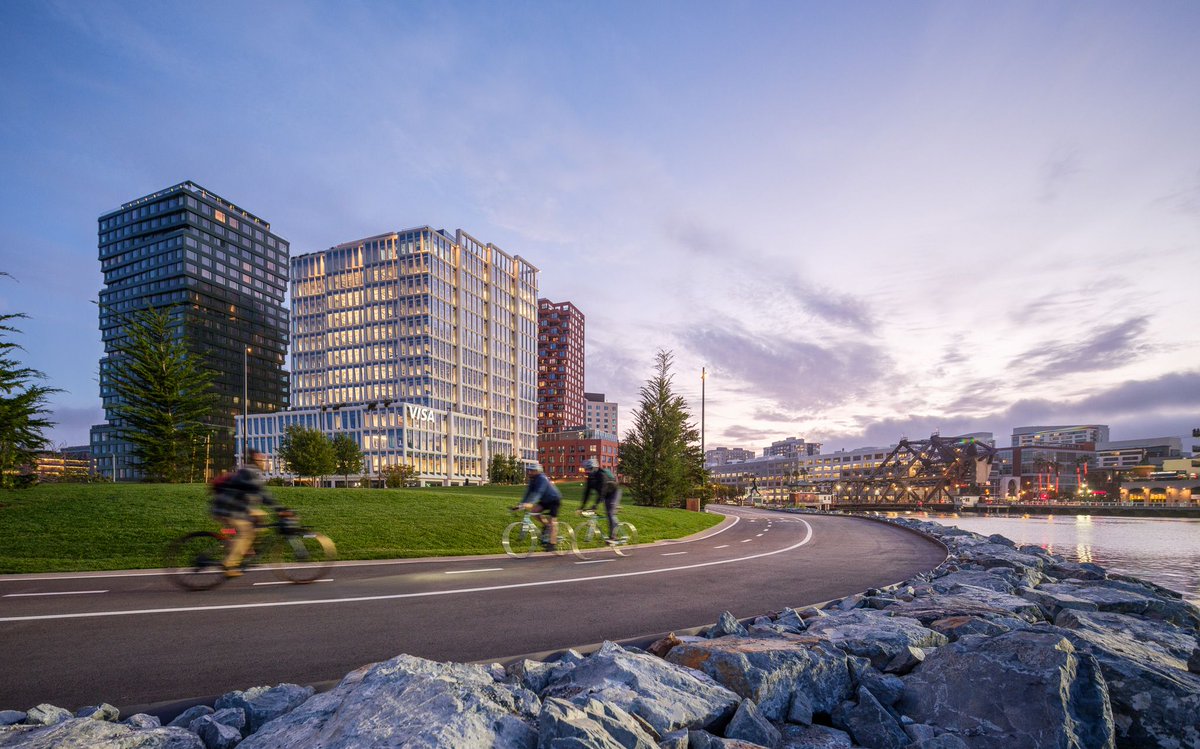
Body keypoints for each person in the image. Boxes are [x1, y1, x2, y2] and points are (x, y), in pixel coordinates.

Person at [210, 449, 277, 577]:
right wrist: (279, 508)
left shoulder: (250, 472)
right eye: (264, 460)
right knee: (245, 533)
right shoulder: (249, 472)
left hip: (237, 507)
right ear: (257, 459)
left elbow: (254, 495)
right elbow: (262, 494)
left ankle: (246, 548)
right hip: (228, 509)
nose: (266, 462)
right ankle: (230, 564)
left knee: (261, 516)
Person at [517, 461, 562, 549]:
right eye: (529, 470)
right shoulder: (532, 480)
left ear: (537, 471)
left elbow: (539, 492)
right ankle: (546, 526)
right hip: (545, 500)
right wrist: (522, 503)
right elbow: (528, 492)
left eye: (532, 470)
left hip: (554, 500)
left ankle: (553, 543)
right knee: (534, 511)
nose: (529, 472)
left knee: (552, 520)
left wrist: (531, 503)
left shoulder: (542, 478)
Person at [579, 458, 622, 543]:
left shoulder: (602, 475)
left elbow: (602, 492)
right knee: (608, 513)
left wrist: (595, 505)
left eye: (590, 469)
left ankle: (614, 536)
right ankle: (614, 524)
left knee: (609, 513)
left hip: (613, 493)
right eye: (587, 469)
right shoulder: (590, 478)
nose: (588, 471)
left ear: (595, 467)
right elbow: (586, 493)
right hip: (605, 495)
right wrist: (581, 507)